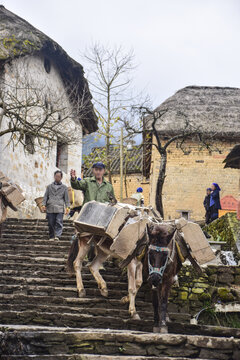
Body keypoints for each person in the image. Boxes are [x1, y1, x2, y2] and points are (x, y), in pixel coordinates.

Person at [70, 162, 115, 261]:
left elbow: (112, 201)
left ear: (104, 171)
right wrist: (73, 179)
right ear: (93, 171)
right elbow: (77, 185)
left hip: (102, 216)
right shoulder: (87, 182)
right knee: (84, 238)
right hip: (88, 215)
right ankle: (82, 255)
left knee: (101, 240)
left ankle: (96, 259)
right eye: (96, 169)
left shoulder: (108, 186)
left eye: (100, 170)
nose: (98, 172)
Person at [42, 170, 70, 240]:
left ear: (61, 178)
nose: (57, 177)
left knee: (59, 222)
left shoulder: (64, 188)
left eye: (59, 176)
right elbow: (46, 196)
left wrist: (68, 207)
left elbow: (66, 198)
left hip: (60, 207)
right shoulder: (49, 187)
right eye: (56, 176)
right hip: (50, 207)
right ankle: (51, 236)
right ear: (54, 176)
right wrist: (43, 205)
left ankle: (57, 236)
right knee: (51, 223)